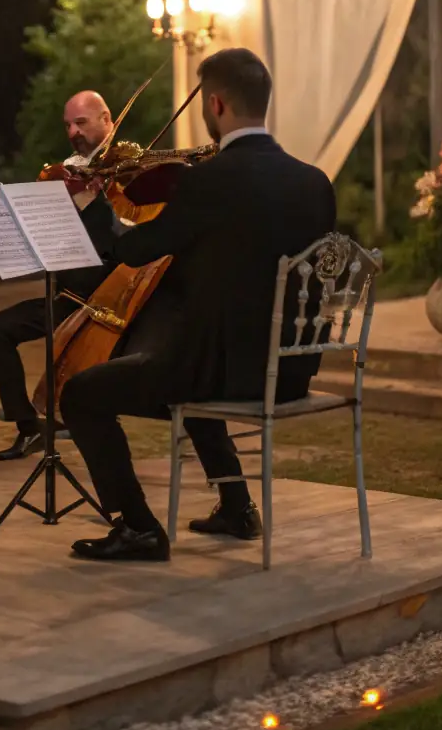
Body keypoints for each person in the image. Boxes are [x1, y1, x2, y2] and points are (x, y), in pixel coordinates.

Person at [61, 48, 337, 563]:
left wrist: (103, 211)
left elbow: (138, 249)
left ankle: (138, 527)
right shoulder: (313, 181)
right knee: (188, 361)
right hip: (292, 369)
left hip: (226, 372)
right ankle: (236, 506)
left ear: (214, 105)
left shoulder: (209, 180)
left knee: (81, 393)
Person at [0, 90, 121, 461]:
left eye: (82, 122)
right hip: (67, 299)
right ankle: (30, 428)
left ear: (107, 120)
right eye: (68, 125)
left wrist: (99, 199)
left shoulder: (124, 173)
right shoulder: (69, 172)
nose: (73, 131)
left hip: (110, 303)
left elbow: (124, 238)